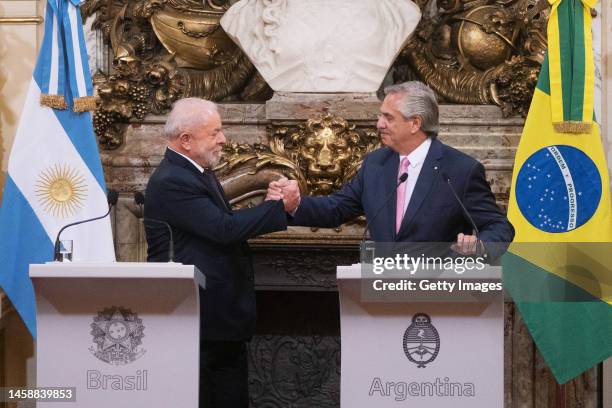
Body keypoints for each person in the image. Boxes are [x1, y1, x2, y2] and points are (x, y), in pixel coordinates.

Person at [144, 98, 299, 408]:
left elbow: (221, 227)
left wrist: (270, 206)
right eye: (214, 132)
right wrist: (277, 208)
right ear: (186, 140)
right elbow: (224, 229)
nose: (223, 139)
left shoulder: (195, 171)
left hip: (216, 322)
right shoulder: (173, 180)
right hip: (199, 321)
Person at [268, 81, 514, 255]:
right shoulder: (376, 164)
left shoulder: (461, 170)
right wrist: (295, 203)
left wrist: (479, 246)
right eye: (380, 116)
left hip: (439, 292)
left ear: (415, 123)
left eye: (388, 117)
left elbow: (499, 227)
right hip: (383, 291)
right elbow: (337, 208)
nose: (379, 124)